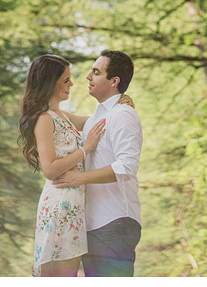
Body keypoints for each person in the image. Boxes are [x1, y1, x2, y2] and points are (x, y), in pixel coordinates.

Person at [53, 50, 143, 277]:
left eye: (96, 72)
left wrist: (78, 178)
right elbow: (58, 115)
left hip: (115, 223)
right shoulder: (97, 118)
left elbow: (127, 166)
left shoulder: (122, 114)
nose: (87, 77)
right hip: (92, 226)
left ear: (114, 82)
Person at [18, 54, 106, 277]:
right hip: (60, 206)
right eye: (66, 80)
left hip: (73, 206)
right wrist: (85, 149)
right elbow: (49, 169)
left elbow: (96, 121)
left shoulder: (61, 115)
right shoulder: (44, 119)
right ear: (50, 82)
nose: (72, 84)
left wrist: (120, 102)